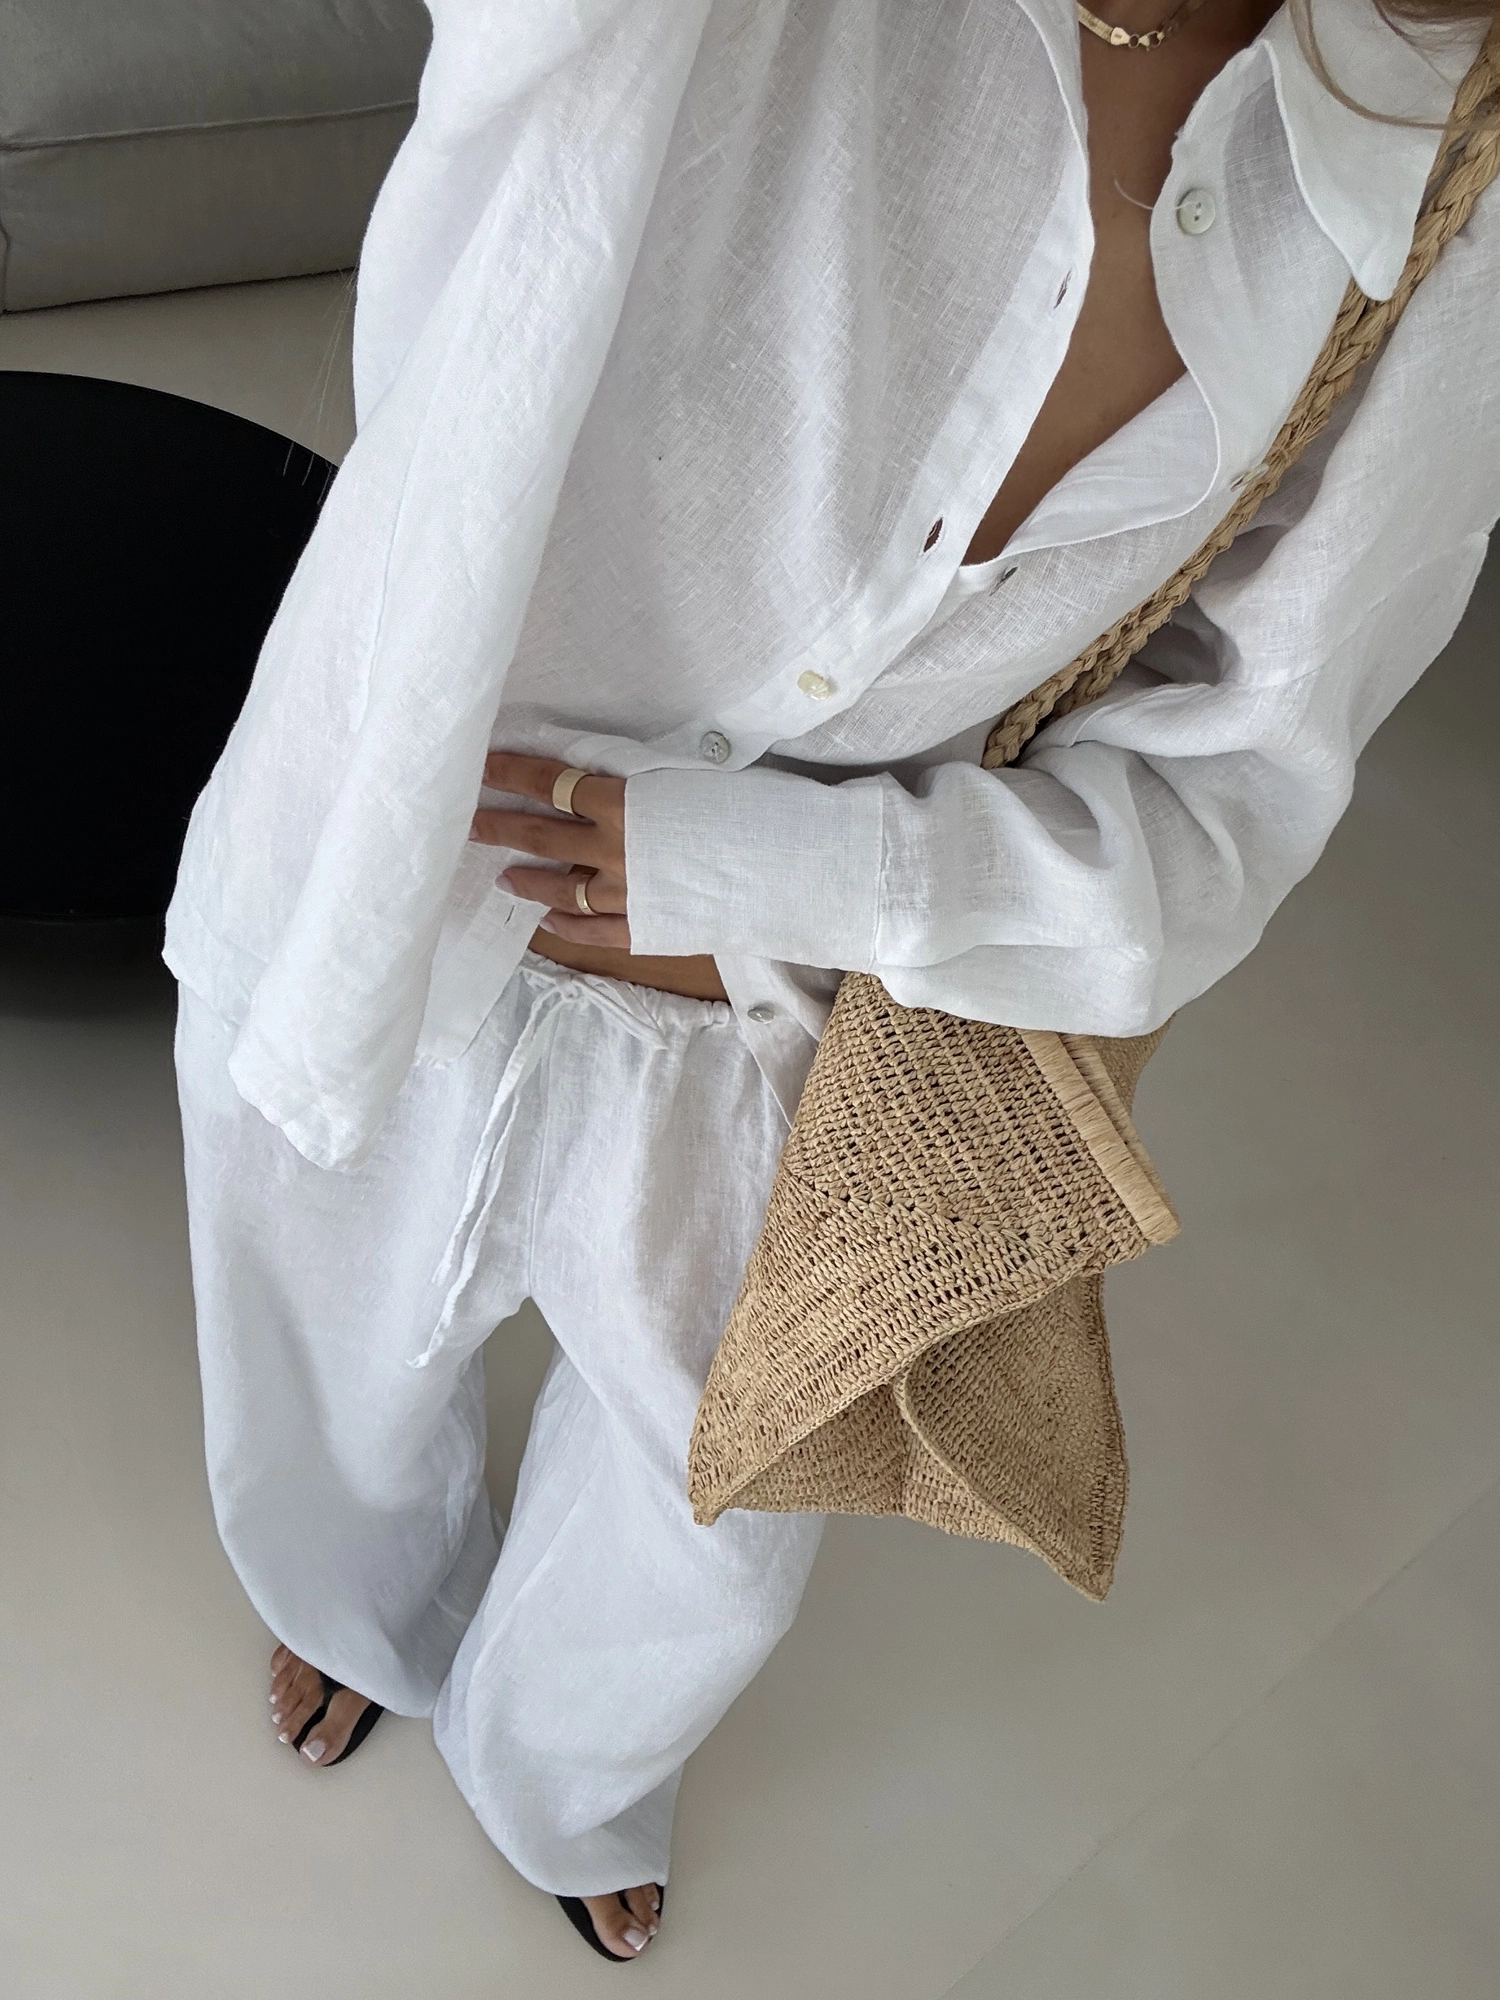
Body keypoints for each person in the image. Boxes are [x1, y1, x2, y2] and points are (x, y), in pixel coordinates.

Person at [168, 0, 1500, 1962]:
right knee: (311, 1298)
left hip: (811, 979)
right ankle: (356, 1605)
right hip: (406, 807)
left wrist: (762, 875)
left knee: (713, 1504)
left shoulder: (1448, 188)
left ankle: (559, 1767)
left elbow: (1236, 795)